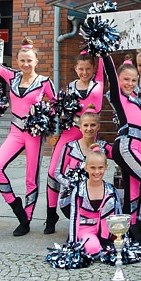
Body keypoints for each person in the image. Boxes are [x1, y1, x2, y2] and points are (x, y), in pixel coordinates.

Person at [0, 38, 56, 236]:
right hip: (15, 132)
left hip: (34, 134)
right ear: (17, 61)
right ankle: (16, 208)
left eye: (29, 60)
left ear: (36, 61)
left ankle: (26, 219)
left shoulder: (44, 82)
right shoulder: (12, 77)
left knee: (31, 179)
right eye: (22, 61)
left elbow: (57, 105)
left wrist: (45, 118)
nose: (26, 64)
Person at [104, 54, 141, 247]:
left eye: (133, 80)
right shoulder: (118, 97)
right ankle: (140, 226)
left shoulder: (135, 98)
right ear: (118, 81)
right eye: (125, 80)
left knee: (134, 193)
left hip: (134, 147)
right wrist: (105, 53)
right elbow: (111, 74)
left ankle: (131, 235)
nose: (129, 83)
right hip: (126, 146)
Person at [44, 51, 105, 234]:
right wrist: (55, 133)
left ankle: (90, 209)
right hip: (71, 132)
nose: (85, 72)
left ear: (94, 69)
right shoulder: (69, 87)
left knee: (90, 172)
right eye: (81, 69)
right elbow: (58, 111)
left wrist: (100, 48)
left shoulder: (99, 83)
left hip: (90, 133)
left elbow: (103, 57)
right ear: (75, 69)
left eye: (88, 69)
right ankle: (50, 215)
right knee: (52, 172)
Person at [68, 144, 121, 257]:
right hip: (86, 229)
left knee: (110, 200)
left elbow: (118, 214)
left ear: (106, 167)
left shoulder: (110, 189)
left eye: (100, 168)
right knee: (94, 248)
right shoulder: (79, 190)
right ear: (86, 168)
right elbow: (74, 217)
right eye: (93, 168)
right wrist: (72, 242)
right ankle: (97, 243)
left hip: (106, 230)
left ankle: (105, 240)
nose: (97, 172)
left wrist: (122, 237)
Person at [52, 107, 102, 222]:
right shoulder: (69, 147)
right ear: (80, 127)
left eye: (93, 125)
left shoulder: (103, 147)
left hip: (95, 195)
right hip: (72, 197)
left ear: (98, 127)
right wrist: (71, 183)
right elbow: (57, 173)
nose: (89, 129)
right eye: (85, 125)